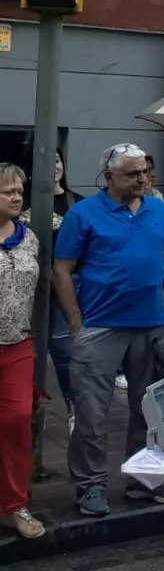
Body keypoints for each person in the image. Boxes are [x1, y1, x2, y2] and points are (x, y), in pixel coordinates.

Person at [53, 143, 164, 515]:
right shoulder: (83, 214)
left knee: (151, 412)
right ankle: (90, 485)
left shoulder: (158, 209)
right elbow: (61, 270)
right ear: (108, 177)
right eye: (132, 174)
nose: (142, 178)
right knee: (92, 414)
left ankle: (145, 480)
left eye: (144, 171)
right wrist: (76, 323)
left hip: (151, 326)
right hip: (99, 327)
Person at [21, 148, 81, 431]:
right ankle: (27, 411)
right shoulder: (20, 201)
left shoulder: (76, 204)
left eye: (58, 160)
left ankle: (73, 410)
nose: (54, 166)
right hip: (24, 289)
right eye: (47, 162)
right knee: (25, 354)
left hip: (62, 289)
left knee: (63, 350)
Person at [0, 163, 44, 539]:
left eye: (19, 191)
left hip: (18, 343)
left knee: (16, 421)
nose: (17, 197)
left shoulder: (29, 238)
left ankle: (14, 504)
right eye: (7, 192)